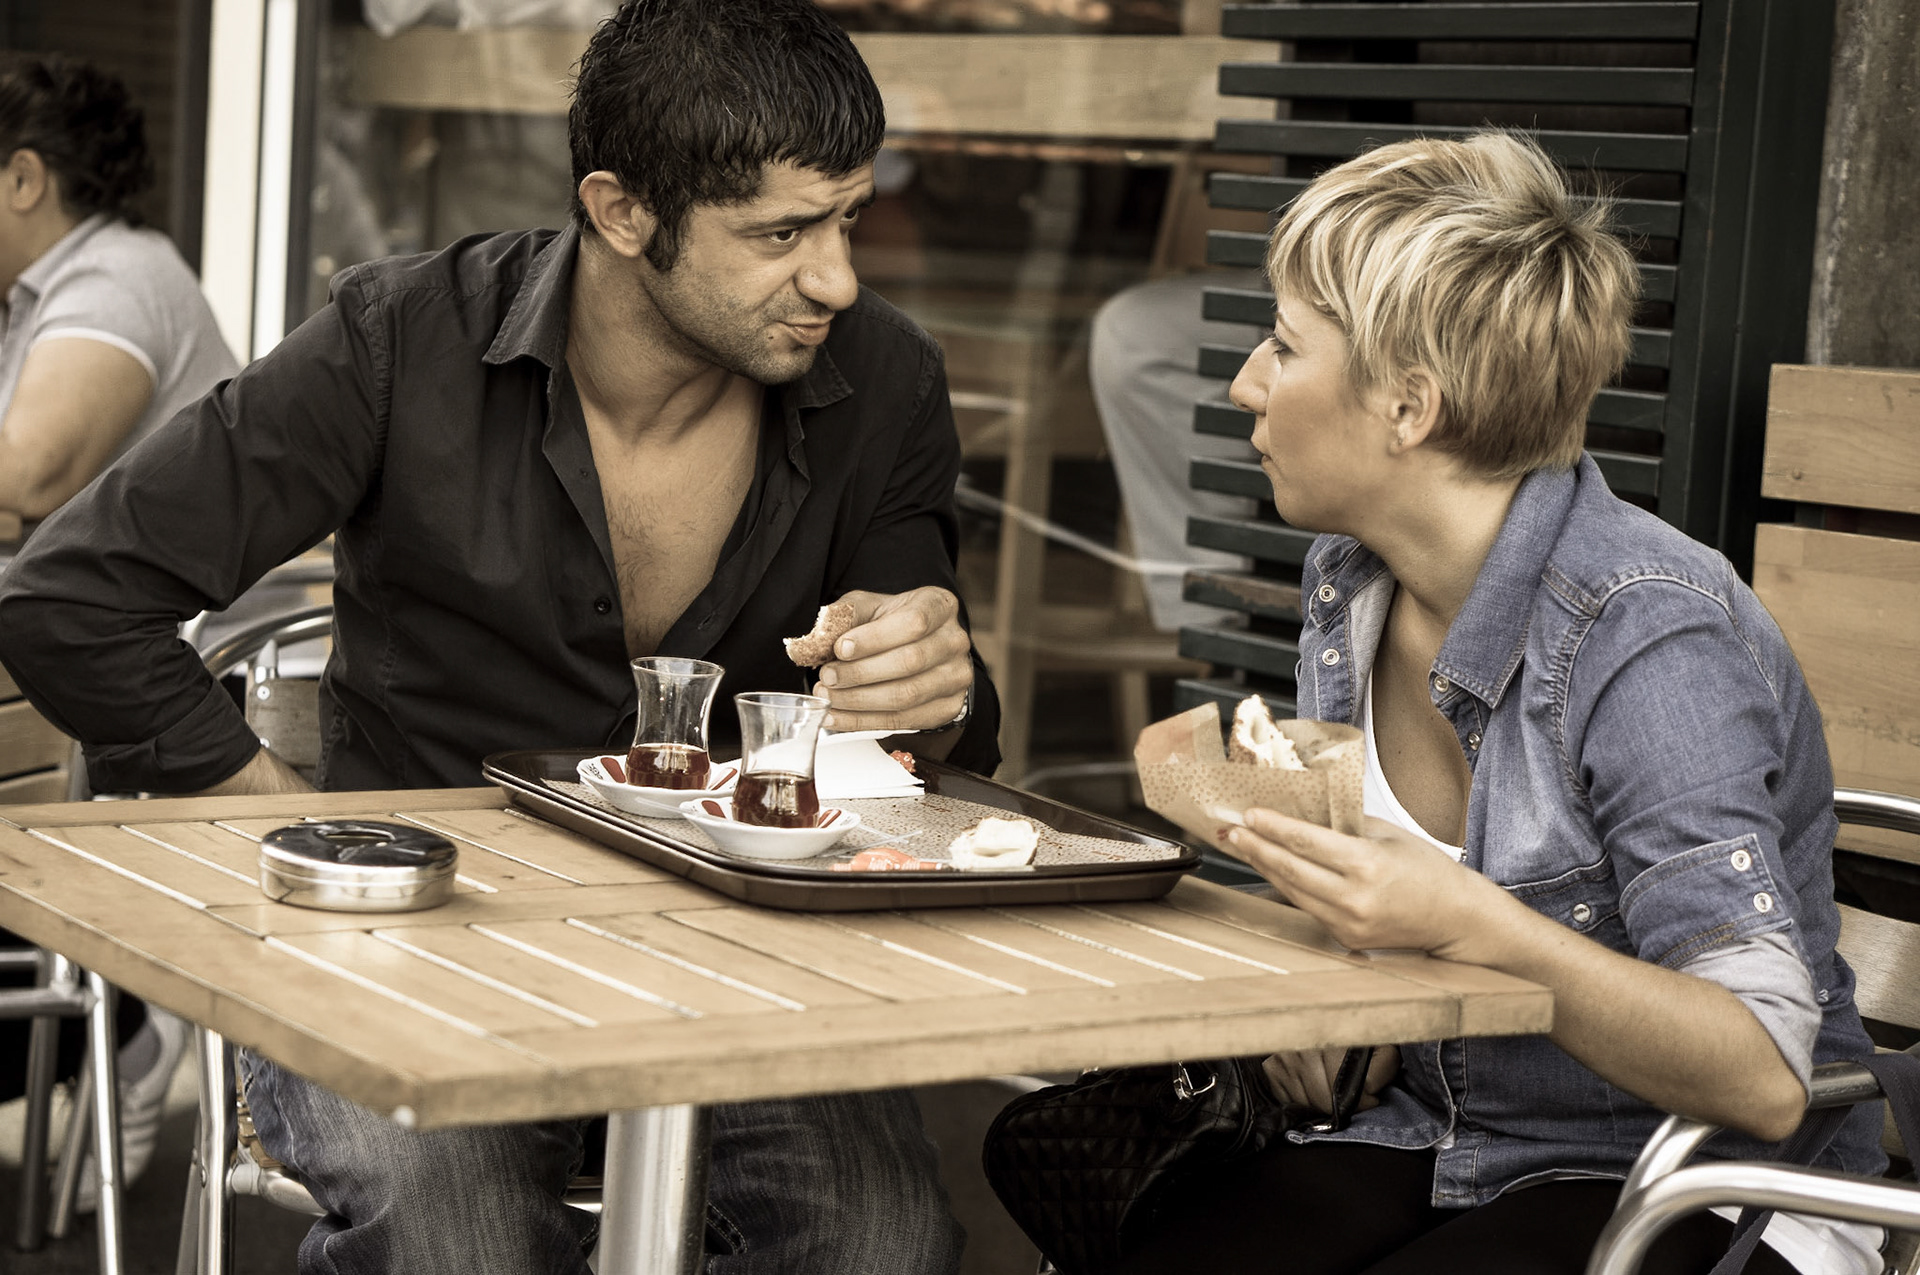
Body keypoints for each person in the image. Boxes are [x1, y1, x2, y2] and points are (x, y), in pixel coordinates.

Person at [0, 2, 997, 1271]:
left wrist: (935, 689)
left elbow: (921, 742)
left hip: (743, 950)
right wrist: (290, 829)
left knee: (882, 1242)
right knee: (452, 1236)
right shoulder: (398, 342)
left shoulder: (887, 379)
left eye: (847, 220)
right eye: (783, 233)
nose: (837, 279)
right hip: (409, 943)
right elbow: (70, 597)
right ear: (622, 212)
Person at [1112, 133, 1884, 1275]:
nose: (1246, 383)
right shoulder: (1353, 578)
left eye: (1284, 344)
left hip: (1699, 1186)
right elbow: (1385, 923)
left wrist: (1466, 925)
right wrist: (1338, 1003)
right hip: (1440, 1133)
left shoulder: (1647, 636)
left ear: (1409, 406)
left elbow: (1762, 1072)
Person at [0, 50, 232, 1199]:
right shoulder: (52, 293)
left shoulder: (116, 281)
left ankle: (127, 1016)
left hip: (158, 681)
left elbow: (30, 476)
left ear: (23, 179)